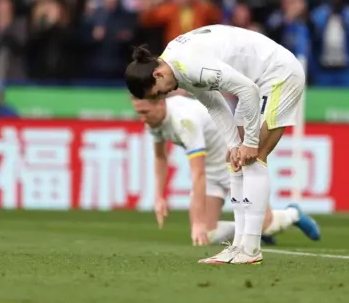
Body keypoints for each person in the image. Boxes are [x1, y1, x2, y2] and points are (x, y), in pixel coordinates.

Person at [125, 24, 318, 265]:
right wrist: (234, 144)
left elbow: (248, 90)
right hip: (256, 83)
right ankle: (237, 246)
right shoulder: (176, 70)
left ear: (157, 75)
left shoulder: (192, 66)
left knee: (254, 157)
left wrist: (247, 142)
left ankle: (251, 249)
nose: (162, 98)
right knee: (235, 160)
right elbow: (214, 104)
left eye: (157, 94)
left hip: (279, 74)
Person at [132, 94, 320, 257]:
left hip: (233, 161)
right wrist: (159, 197)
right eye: (139, 112)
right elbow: (160, 156)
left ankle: (292, 214)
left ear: (161, 104)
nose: (142, 118)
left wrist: (197, 221)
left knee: (266, 225)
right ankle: (252, 230)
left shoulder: (184, 122)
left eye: (145, 112)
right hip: (212, 170)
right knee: (205, 235)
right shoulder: (154, 120)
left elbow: (198, 173)